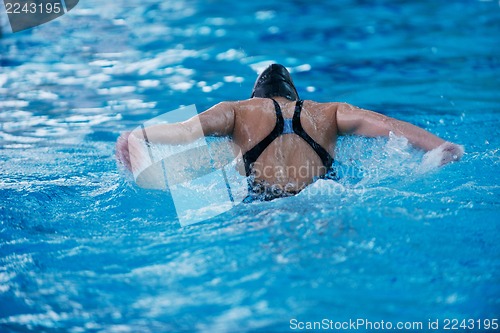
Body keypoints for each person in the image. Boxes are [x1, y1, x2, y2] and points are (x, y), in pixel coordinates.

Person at [116, 64, 463, 200]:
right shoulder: (327, 112)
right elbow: (390, 127)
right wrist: (441, 147)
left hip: (259, 215)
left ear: (257, 96)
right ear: (294, 96)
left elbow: (184, 131)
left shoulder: (237, 110)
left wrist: (138, 135)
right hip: (323, 207)